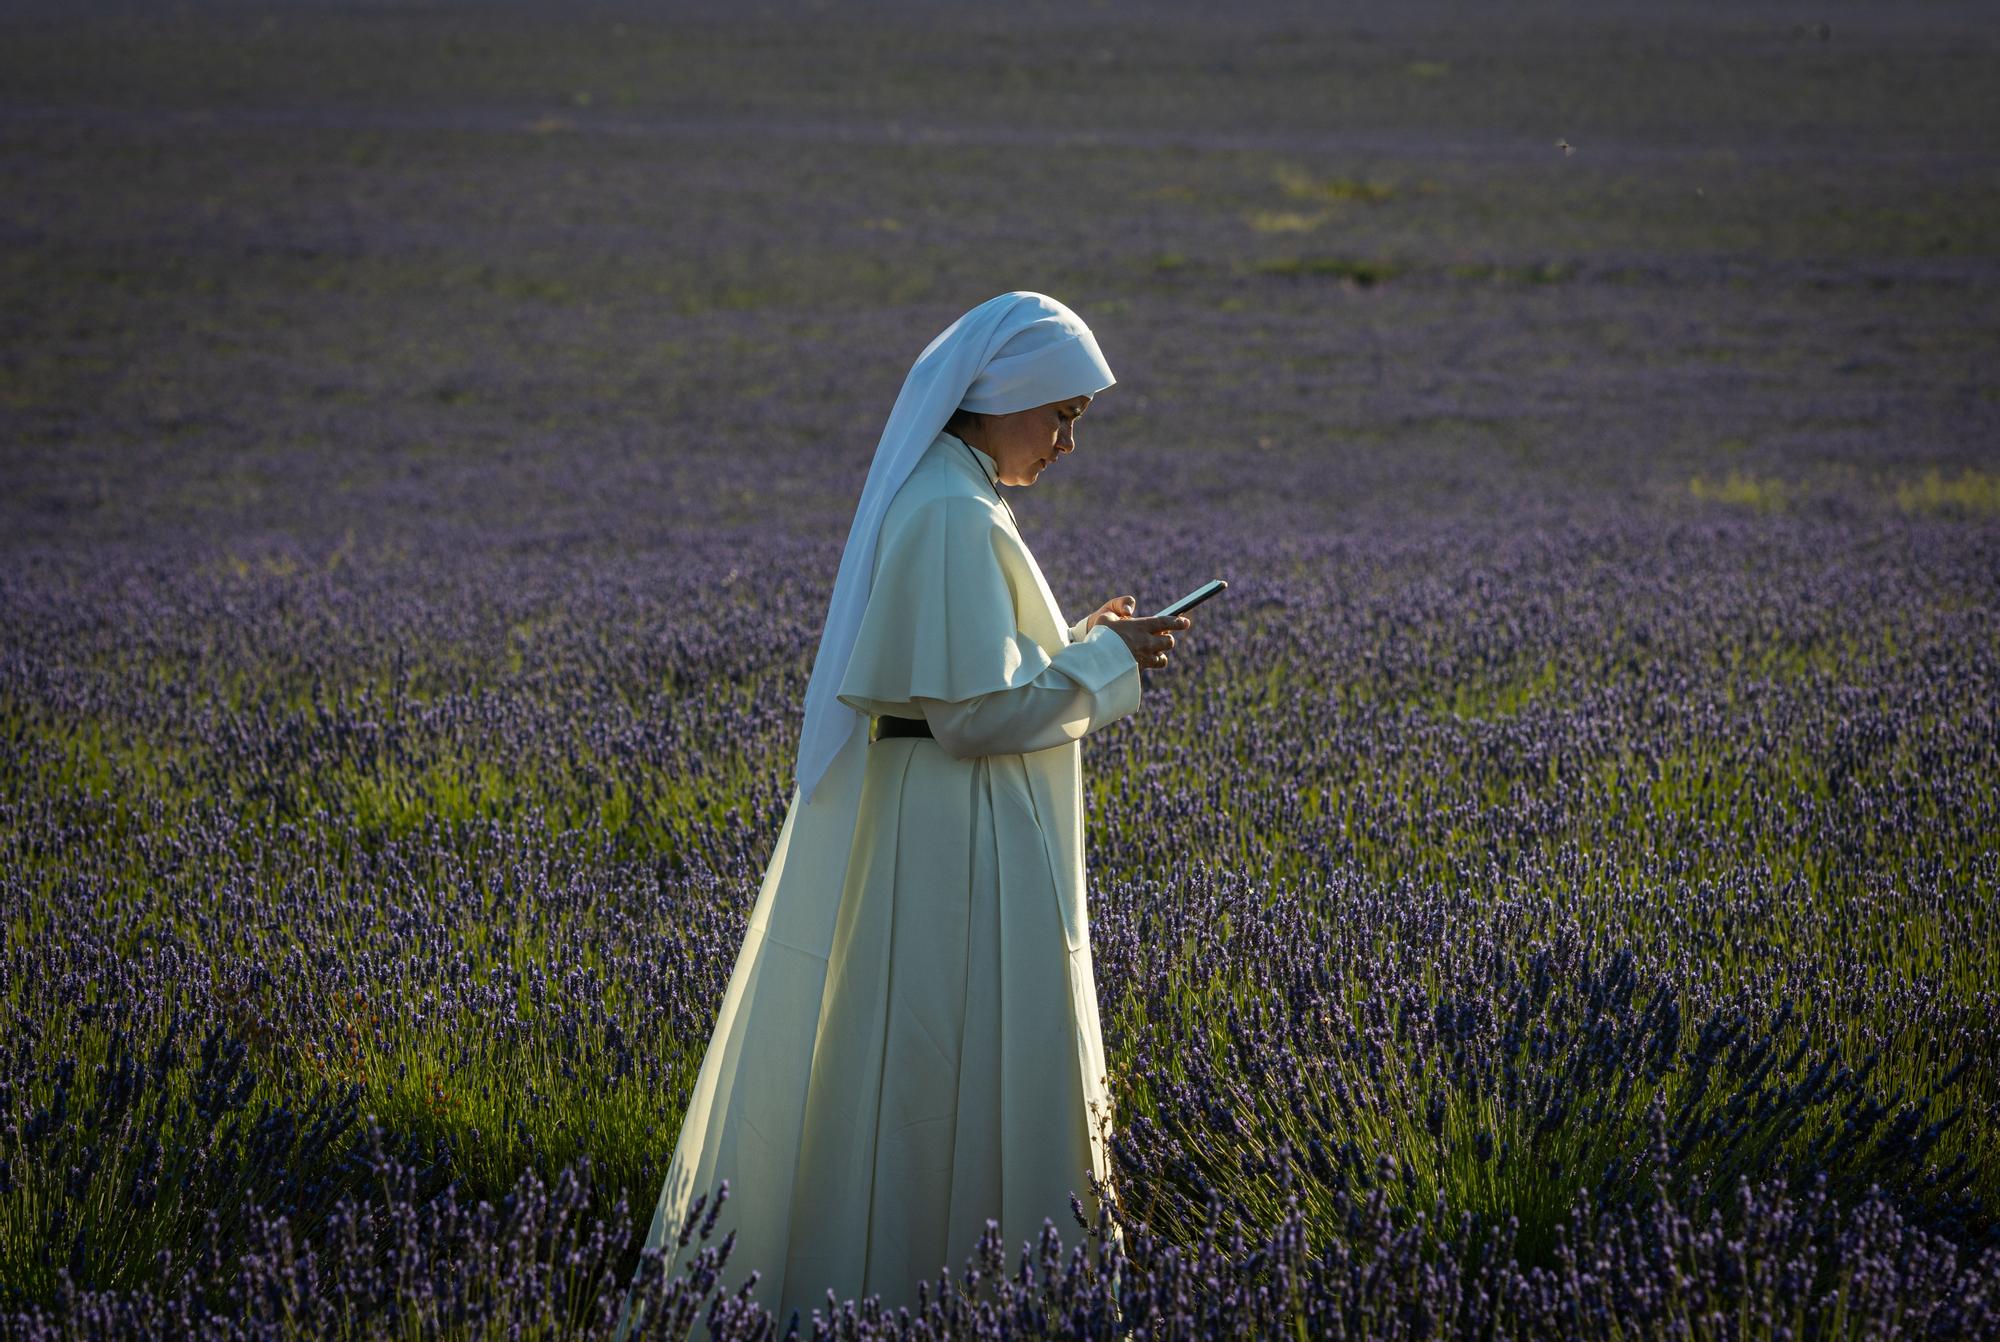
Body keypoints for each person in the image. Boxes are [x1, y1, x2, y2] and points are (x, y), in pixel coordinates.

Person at [614, 292, 1192, 1335]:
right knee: (953, 1055)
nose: (1064, 443)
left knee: (939, 1059)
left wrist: (1073, 639)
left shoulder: (957, 496)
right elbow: (968, 719)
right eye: (1057, 415)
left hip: (957, 822)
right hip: (954, 836)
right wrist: (1105, 666)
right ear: (1002, 397)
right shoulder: (948, 511)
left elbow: (974, 676)